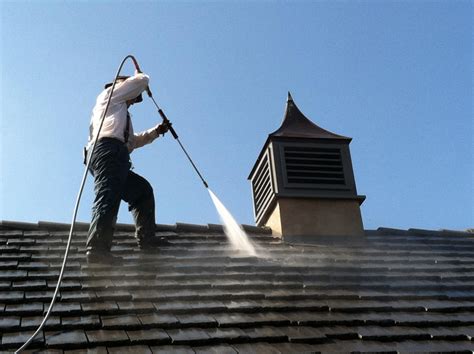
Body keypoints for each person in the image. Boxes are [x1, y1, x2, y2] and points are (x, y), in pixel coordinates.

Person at [85, 70, 169, 264]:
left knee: (142, 191)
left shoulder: (120, 113)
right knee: (108, 194)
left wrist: (157, 131)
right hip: (107, 150)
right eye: (133, 96)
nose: (134, 100)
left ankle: (147, 240)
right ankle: (97, 249)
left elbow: (131, 142)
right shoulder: (110, 94)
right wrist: (139, 75)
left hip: (116, 154)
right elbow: (142, 80)